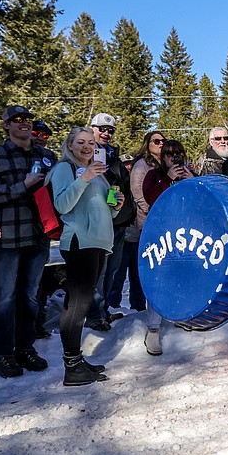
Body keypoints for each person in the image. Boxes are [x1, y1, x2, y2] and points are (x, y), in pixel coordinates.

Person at [0, 105, 56, 378]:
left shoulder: (47, 156)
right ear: (6, 126)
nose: (24, 124)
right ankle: (3, 354)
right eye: (17, 120)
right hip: (8, 237)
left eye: (27, 119)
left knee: (31, 297)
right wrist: (22, 185)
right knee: (4, 299)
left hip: (39, 236)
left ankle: (26, 348)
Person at [47, 128, 118, 386]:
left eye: (91, 142)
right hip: (79, 241)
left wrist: (114, 204)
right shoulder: (65, 168)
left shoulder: (98, 171)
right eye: (81, 142)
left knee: (83, 303)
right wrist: (84, 178)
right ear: (70, 145)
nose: (87, 146)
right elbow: (63, 205)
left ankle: (77, 359)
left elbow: (102, 212)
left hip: (97, 242)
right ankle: (72, 366)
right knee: (76, 305)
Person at [85, 113, 134, 330]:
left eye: (110, 130)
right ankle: (94, 315)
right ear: (92, 128)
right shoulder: (84, 153)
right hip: (97, 222)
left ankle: (102, 310)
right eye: (102, 129)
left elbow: (120, 185)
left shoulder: (113, 155)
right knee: (99, 271)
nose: (106, 133)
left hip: (118, 220)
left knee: (112, 271)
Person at [130, 131, 168, 354]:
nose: (161, 145)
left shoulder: (170, 164)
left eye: (164, 142)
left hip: (174, 228)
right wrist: (157, 216)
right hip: (151, 228)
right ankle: (153, 329)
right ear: (147, 144)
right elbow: (140, 197)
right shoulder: (142, 166)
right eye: (156, 141)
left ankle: (178, 315)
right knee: (155, 276)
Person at [143, 138, 195, 208]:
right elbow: (150, 200)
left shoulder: (190, 174)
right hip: (163, 215)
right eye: (169, 154)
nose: (174, 157)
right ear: (163, 157)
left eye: (178, 153)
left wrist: (194, 181)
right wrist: (168, 179)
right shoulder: (154, 174)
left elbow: (203, 197)